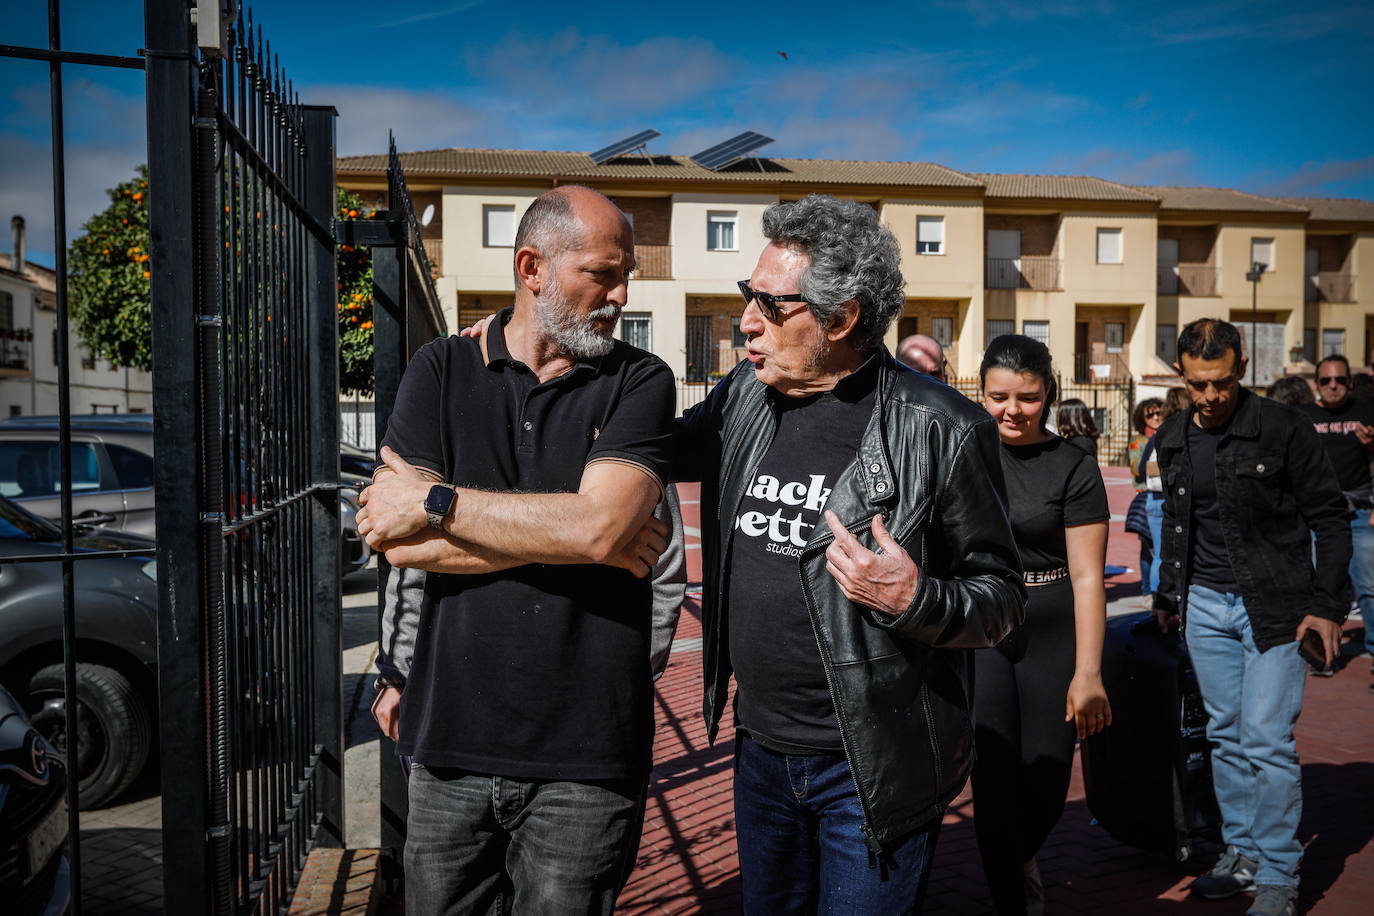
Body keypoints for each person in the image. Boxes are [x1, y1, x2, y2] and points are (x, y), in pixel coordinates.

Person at [673, 195, 1026, 913]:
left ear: (840, 319)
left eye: (770, 306)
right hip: (760, 751)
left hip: (873, 766)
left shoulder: (942, 428)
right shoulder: (745, 392)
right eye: (748, 296)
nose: (745, 321)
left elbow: (1002, 598)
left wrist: (917, 599)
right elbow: (646, 441)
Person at [356, 185, 677, 914]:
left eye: (625, 274)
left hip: (587, 760)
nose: (621, 294)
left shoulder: (641, 380)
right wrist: (580, 537)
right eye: (603, 272)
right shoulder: (440, 369)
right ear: (532, 266)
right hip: (449, 748)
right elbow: (396, 545)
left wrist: (439, 505)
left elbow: (598, 528)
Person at [1153, 319, 1351, 916]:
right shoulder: (1173, 435)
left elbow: (1330, 519)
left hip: (1277, 608)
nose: (1210, 397)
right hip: (1205, 607)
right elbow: (1176, 523)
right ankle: (1240, 854)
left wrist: (1325, 607)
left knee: (1266, 740)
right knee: (1224, 735)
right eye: (1197, 386)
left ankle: (1279, 875)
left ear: (1242, 368)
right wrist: (1168, 596)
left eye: (1220, 383)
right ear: (1182, 377)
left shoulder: (1285, 429)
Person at [973, 335, 1112, 915]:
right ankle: (1012, 899)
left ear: (1048, 394)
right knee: (992, 775)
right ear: (980, 393)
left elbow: (1087, 579)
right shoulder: (962, 454)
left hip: (1051, 623)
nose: (1012, 410)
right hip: (980, 628)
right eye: (998, 397)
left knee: (1049, 779)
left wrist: (1089, 673)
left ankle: (1020, 856)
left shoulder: (1073, 466)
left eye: (1027, 398)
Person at [1301, 355, 1374, 678]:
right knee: (1322, 587)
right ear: (1317, 385)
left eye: (1340, 380)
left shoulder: (1367, 412)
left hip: (1359, 512)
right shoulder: (1303, 417)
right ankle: (1322, 655)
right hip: (1317, 516)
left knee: (1369, 587)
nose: (1333, 386)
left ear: (1351, 383)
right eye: (1327, 380)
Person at [1125, 397, 1165, 597]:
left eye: (1159, 413)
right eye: (1150, 414)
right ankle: (1148, 590)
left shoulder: (1167, 434)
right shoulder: (1138, 441)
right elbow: (1137, 469)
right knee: (1148, 547)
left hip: (1159, 495)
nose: (1156, 417)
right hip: (1145, 496)